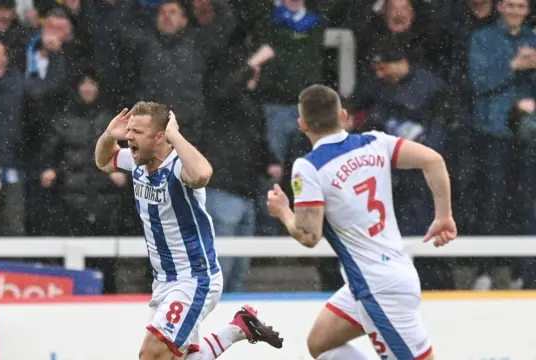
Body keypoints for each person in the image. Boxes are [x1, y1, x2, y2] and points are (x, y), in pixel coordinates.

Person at [267, 85, 457, 360]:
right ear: (343, 115)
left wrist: (284, 211)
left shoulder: (309, 166)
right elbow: (433, 160)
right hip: (384, 276)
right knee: (321, 343)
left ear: (302, 124)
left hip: (377, 288)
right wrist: (443, 216)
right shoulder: (375, 142)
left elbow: (309, 235)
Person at [94, 101, 283, 360]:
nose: (128, 137)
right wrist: (107, 135)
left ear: (160, 136)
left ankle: (236, 329)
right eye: (129, 130)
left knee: (151, 355)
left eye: (137, 132)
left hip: (193, 278)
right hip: (163, 280)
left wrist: (175, 135)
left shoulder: (179, 167)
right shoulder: (138, 161)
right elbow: (104, 161)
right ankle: (239, 328)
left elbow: (203, 174)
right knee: (174, 358)